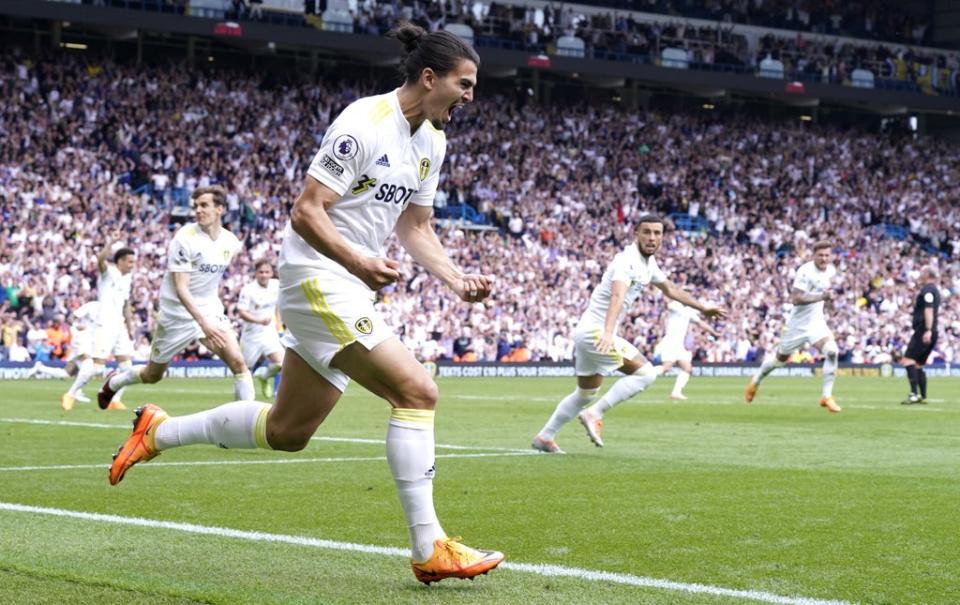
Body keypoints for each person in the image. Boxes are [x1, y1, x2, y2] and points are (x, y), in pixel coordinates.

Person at [106, 25, 503, 584]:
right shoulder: (364, 122)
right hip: (319, 274)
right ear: (430, 77)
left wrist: (456, 279)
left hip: (349, 284)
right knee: (417, 390)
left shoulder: (432, 142)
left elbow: (416, 228)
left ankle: (157, 432)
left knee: (288, 430)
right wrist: (360, 261)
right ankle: (429, 547)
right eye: (464, 85)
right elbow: (307, 211)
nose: (470, 97)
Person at [532, 215, 726, 453]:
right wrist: (608, 332)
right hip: (597, 332)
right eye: (647, 232)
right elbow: (617, 296)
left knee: (586, 393)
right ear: (636, 233)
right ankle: (595, 414)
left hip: (588, 331)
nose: (652, 238)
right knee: (646, 374)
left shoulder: (648, 264)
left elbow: (671, 289)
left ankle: (545, 437)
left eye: (657, 233)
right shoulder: (627, 260)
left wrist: (703, 307)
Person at [98, 186, 253, 408]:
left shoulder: (231, 242)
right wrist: (203, 324)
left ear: (220, 209)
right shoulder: (184, 239)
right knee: (153, 375)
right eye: (196, 206)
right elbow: (182, 289)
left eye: (204, 205)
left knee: (239, 363)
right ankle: (114, 383)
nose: (198, 210)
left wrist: (209, 319)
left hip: (209, 310)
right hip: (176, 314)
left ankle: (243, 424)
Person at [744, 240, 842, 413]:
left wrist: (830, 304)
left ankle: (826, 396)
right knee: (778, 361)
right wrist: (822, 297)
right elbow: (796, 299)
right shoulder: (805, 271)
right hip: (797, 326)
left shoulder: (831, 271)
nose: (824, 259)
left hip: (817, 323)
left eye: (827, 255)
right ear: (814, 255)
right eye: (821, 255)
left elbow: (826, 296)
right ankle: (755, 381)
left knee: (832, 351)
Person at [63, 237, 137, 411]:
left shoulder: (128, 279)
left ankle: (114, 400)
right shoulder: (108, 273)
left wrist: (130, 326)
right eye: (129, 262)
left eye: (134, 262)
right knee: (96, 368)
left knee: (127, 367)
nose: (132, 265)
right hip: (104, 326)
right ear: (120, 261)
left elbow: (125, 305)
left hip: (119, 326)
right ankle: (71, 394)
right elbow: (100, 259)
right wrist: (110, 242)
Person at [657, 299, 721, 400]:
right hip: (670, 342)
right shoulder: (675, 305)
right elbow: (666, 304)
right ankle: (643, 374)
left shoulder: (689, 311)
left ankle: (676, 392)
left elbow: (700, 323)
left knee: (687, 368)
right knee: (666, 368)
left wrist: (714, 333)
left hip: (679, 345)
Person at [237, 260, 284, 398]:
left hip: (269, 332)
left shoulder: (276, 285)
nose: (264, 275)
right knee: (244, 371)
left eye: (267, 272)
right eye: (261, 272)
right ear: (256, 273)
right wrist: (259, 320)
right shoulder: (248, 290)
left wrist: (278, 322)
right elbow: (242, 312)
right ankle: (241, 403)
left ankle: (264, 376)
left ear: (271, 273)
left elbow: (277, 304)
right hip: (251, 335)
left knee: (281, 363)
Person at [901, 265, 941, 404]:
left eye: (922, 273)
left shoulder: (928, 290)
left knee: (907, 360)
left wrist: (928, 330)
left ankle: (913, 394)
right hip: (931, 330)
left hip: (924, 330)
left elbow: (928, 310)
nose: (919, 275)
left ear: (927, 275)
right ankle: (922, 396)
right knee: (918, 364)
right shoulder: (932, 290)